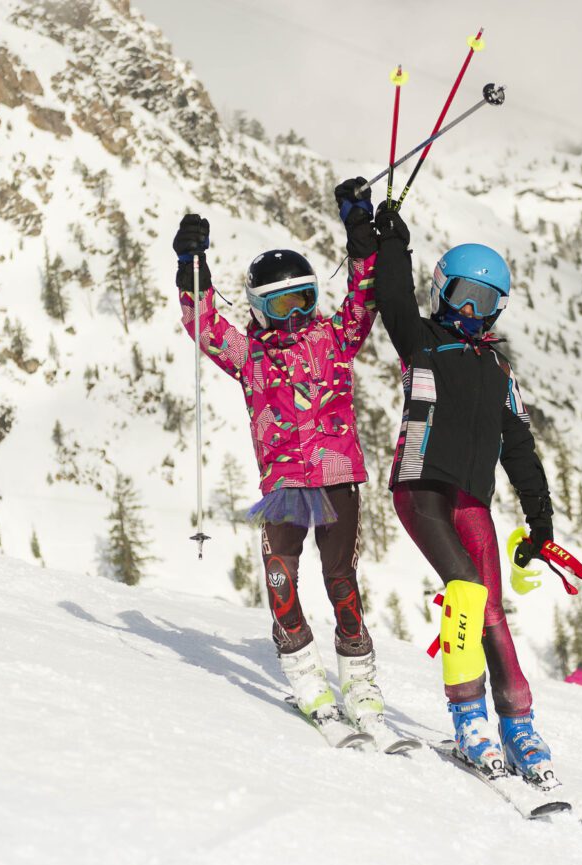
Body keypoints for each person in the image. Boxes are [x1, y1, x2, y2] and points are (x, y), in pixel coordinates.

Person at [173, 180, 388, 739]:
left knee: (341, 579)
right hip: (285, 485)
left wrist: (359, 230)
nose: (293, 317)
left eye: (303, 302)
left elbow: (365, 294)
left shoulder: (336, 338)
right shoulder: (251, 357)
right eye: (279, 306)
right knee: (280, 575)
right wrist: (190, 266)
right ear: (258, 309)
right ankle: (304, 670)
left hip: (337, 475)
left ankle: (360, 677)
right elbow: (203, 326)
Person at [366, 196, 559, 786]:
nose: (473, 313)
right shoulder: (421, 340)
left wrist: (540, 520)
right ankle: (468, 716)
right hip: (421, 490)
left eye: (486, 304)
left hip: (471, 501)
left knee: (492, 612)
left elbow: (519, 449)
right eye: (462, 298)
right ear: (440, 291)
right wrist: (390, 243)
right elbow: (391, 298)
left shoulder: (499, 372)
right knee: (467, 592)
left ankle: (519, 724)